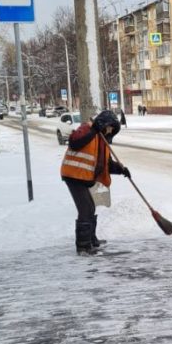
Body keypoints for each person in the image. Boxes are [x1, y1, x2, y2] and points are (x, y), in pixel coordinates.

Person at [60, 109, 130, 255]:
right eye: (109, 127)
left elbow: (106, 164)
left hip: (84, 177)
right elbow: (74, 142)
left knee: (90, 208)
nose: (110, 131)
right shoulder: (87, 129)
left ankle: (91, 240)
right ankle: (83, 247)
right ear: (103, 123)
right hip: (74, 175)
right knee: (85, 209)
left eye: (112, 129)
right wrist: (93, 130)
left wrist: (122, 170)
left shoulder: (103, 141)